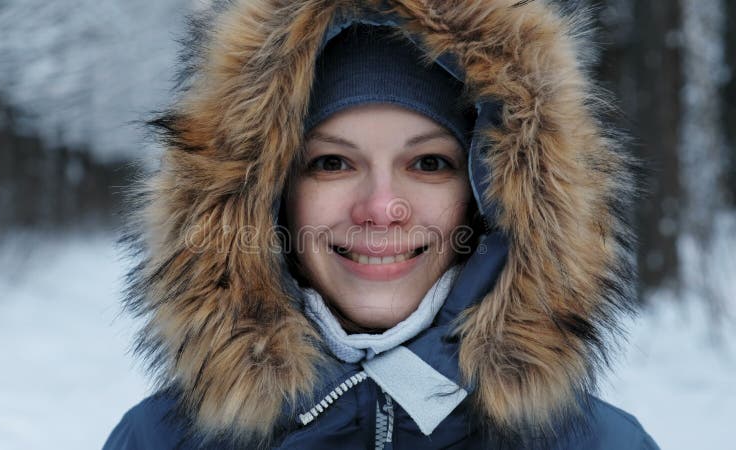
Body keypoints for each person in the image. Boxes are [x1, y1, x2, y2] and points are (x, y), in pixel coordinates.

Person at [104, 1, 658, 449]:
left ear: (490, 198)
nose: (381, 208)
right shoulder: (154, 440)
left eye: (429, 163)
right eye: (332, 163)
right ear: (269, 197)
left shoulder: (606, 444)